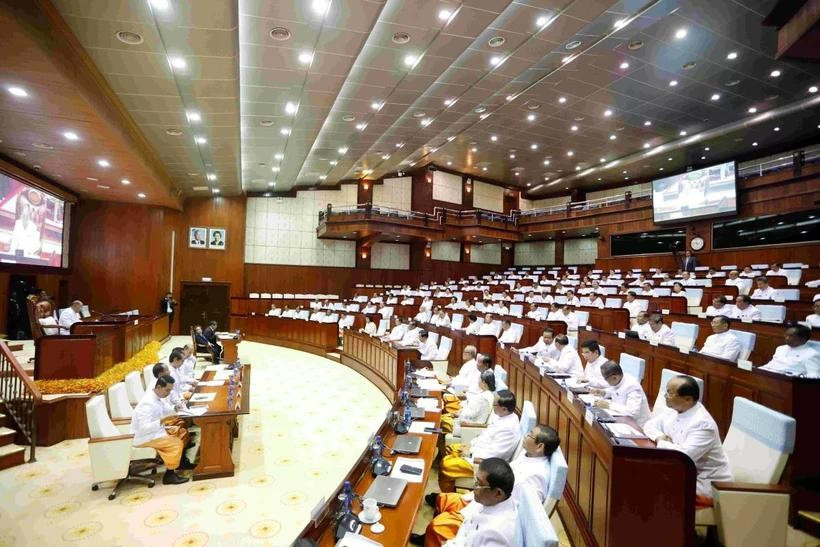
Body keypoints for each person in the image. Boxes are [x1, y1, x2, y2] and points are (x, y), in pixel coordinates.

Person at [416, 426, 558, 547]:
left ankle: (434, 535)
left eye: (530, 435)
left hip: (492, 504)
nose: (525, 435)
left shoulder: (537, 475)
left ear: (540, 446)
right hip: (488, 500)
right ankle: (430, 536)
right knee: (443, 500)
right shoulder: (528, 455)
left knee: (437, 526)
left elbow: (524, 508)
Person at [643, 376, 732, 506]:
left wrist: (662, 443)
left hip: (704, 484)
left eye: (670, 393)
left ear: (688, 399)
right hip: (681, 473)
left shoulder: (703, 424)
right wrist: (659, 437)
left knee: (651, 489)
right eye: (666, 391)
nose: (665, 396)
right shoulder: (675, 410)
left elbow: (684, 457)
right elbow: (648, 426)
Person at [439, 390, 521, 492]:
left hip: (484, 464)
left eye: (494, 405)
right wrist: (471, 446)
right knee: (451, 448)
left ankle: (446, 496)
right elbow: (486, 435)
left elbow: (494, 455)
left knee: (446, 465)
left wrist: (470, 452)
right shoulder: (504, 416)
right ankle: (448, 488)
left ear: (504, 409)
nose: (492, 407)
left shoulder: (508, 430)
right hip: (477, 450)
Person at [131, 375, 195, 485]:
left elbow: (166, 410)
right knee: (175, 443)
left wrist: (175, 408)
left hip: (157, 432)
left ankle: (181, 463)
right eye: (167, 390)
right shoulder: (147, 403)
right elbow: (142, 429)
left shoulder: (157, 398)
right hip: (145, 438)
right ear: (159, 387)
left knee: (182, 433)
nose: (169, 393)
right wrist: (161, 421)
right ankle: (169, 475)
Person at [591, 361, 651, 426]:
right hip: (621, 418)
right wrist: (604, 392)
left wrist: (608, 405)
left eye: (606, 379)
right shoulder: (620, 378)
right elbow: (615, 390)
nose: (606, 381)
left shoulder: (632, 386)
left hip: (637, 425)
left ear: (614, 377)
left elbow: (632, 412)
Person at [441, 369, 495, 435]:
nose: (478, 381)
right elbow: (472, 409)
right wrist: (460, 412)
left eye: (479, 379)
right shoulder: (486, 394)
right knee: (444, 416)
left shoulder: (484, 398)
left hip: (468, 427)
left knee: (442, 419)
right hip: (466, 419)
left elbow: (473, 415)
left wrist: (459, 414)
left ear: (483, 382)